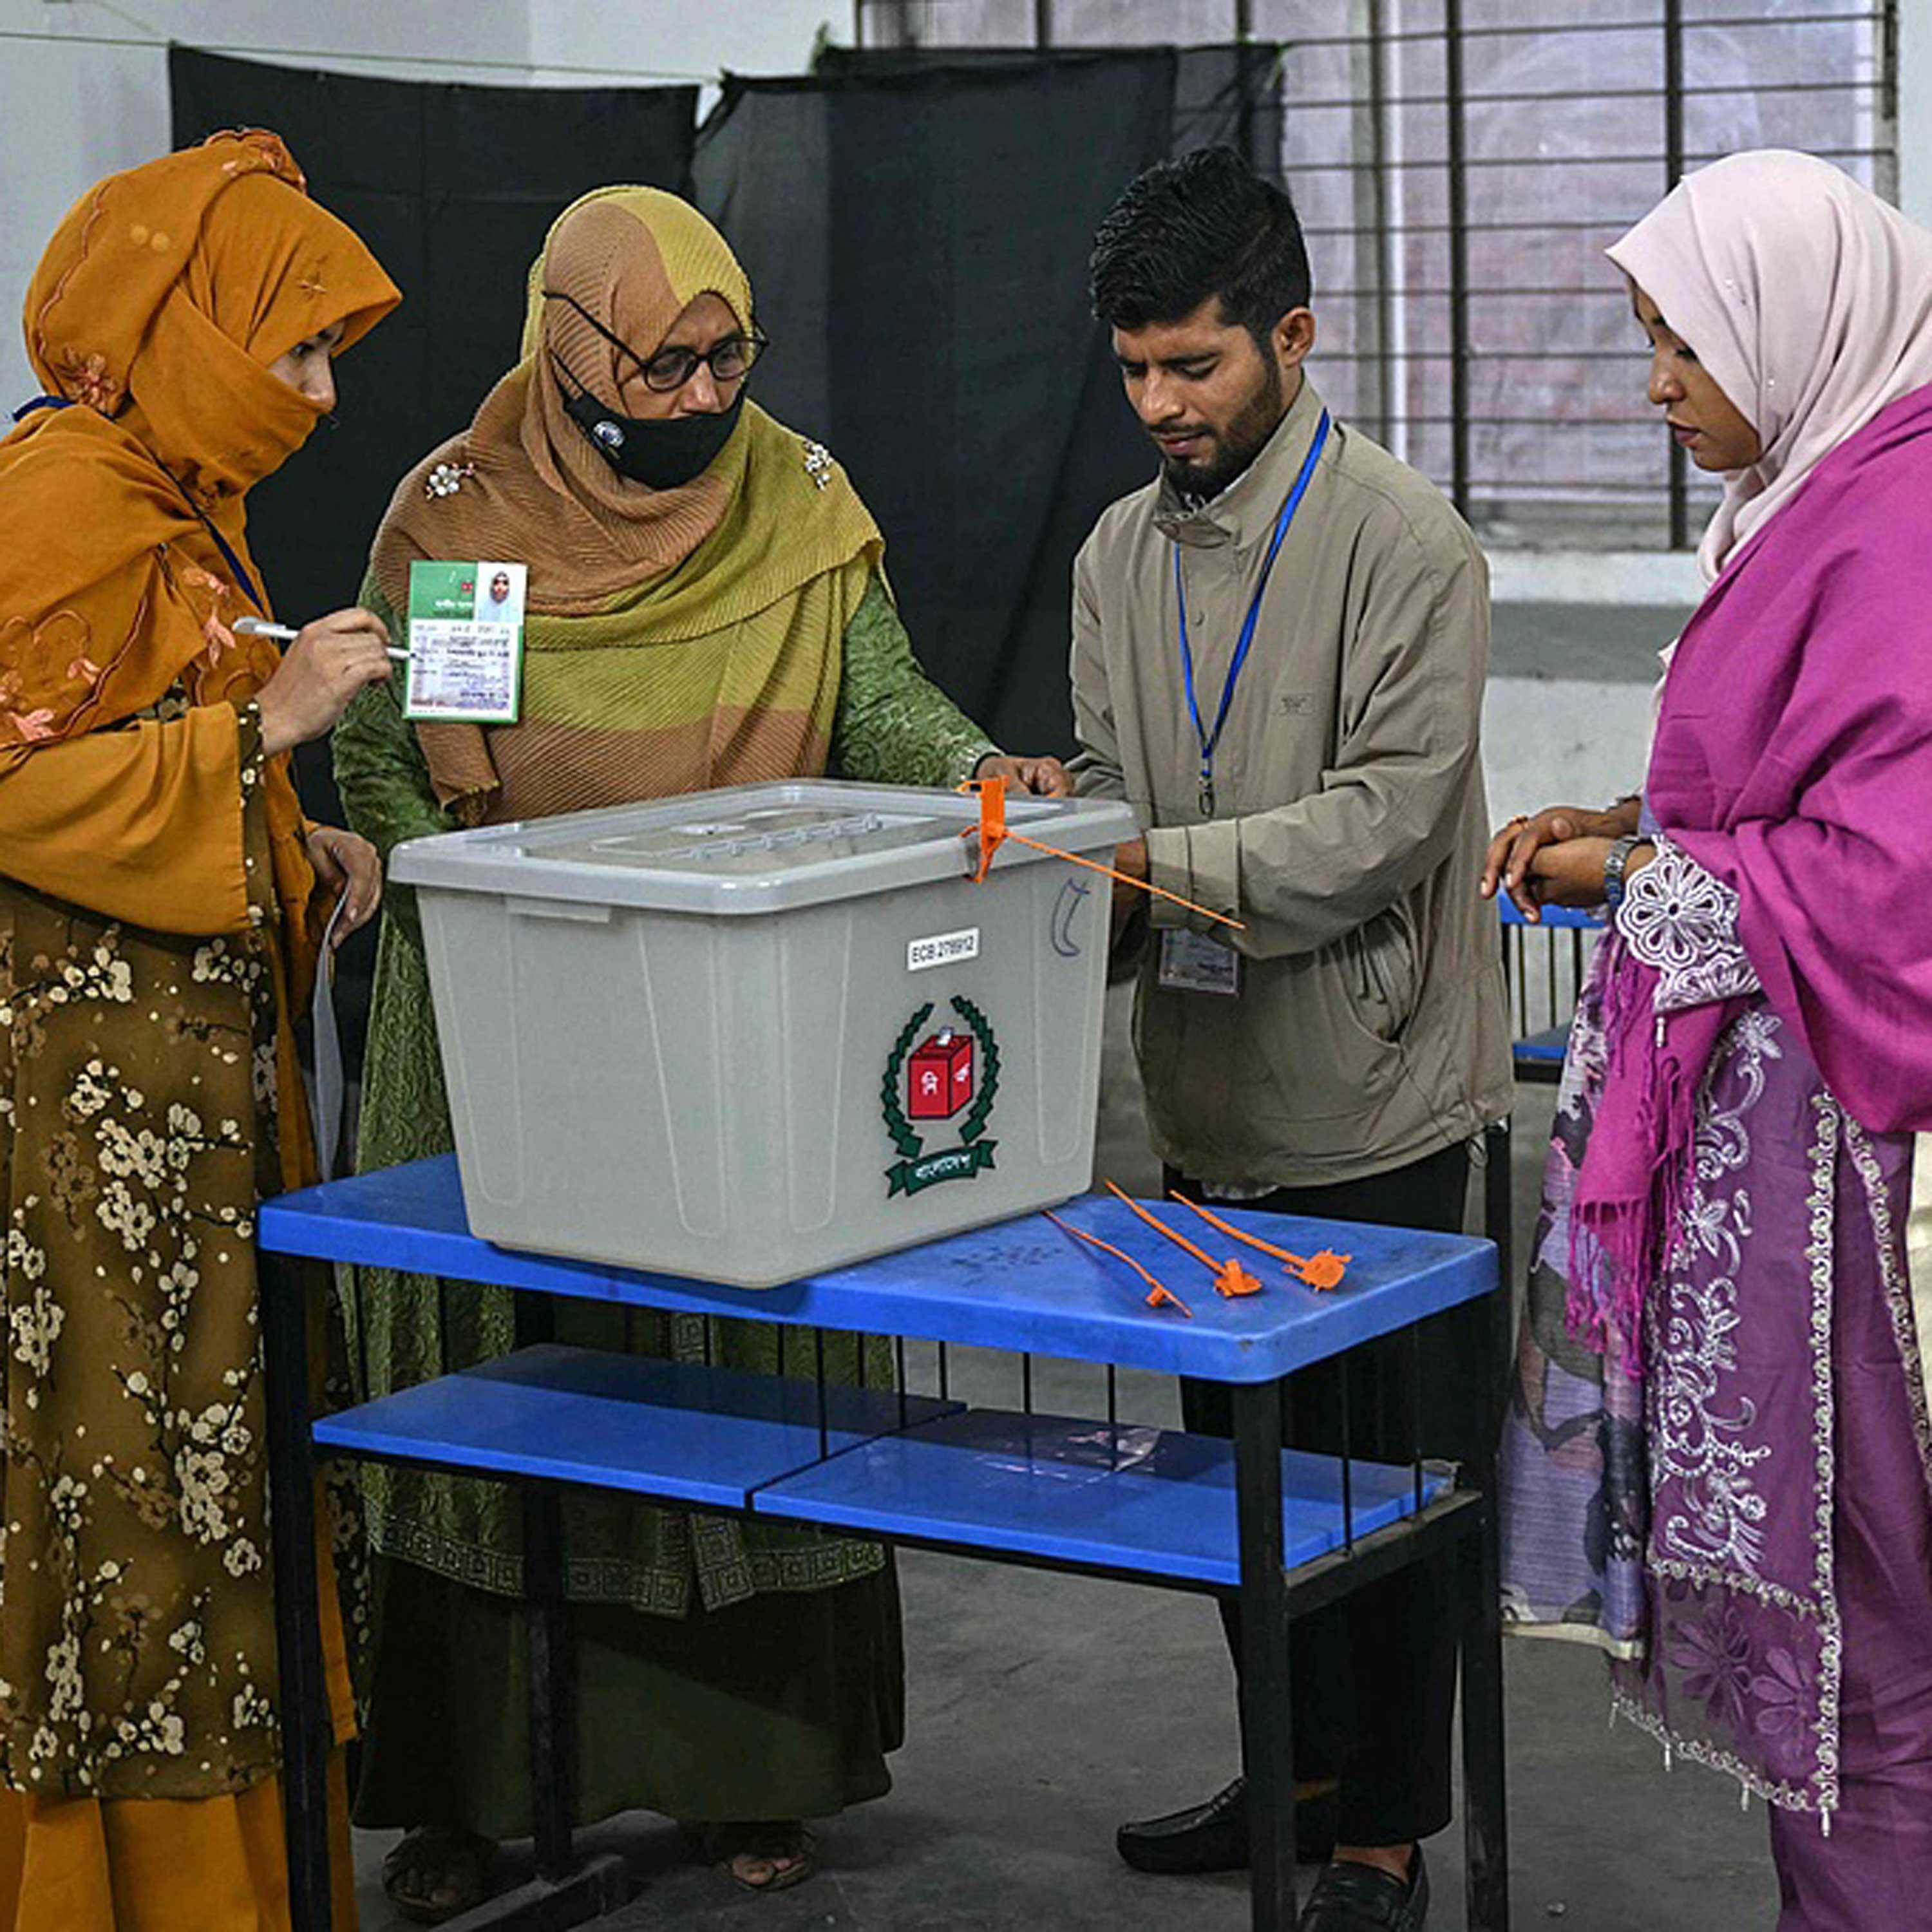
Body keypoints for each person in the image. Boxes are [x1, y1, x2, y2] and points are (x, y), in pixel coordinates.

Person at [333, 184, 1068, 1919]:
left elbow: (878, 703)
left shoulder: (796, 502)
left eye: (728, 359)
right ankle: (477, 1791)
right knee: (512, 1374)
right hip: (519, 1006)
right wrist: (483, 901)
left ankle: (759, 1768)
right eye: (663, 365)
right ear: (570, 343)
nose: (700, 398)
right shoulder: (465, 517)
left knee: (736, 1356)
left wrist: (979, 770)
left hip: (737, 1004)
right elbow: (392, 762)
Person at [1488, 149, 1932, 1931]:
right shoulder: (1821, 497)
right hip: (1795, 1136)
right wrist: (1635, 823)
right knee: (1856, 1636)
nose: (1655, 385)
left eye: (1685, 343)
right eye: (1648, 340)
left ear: (1796, 327)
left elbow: (1893, 882)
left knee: (1875, 1635)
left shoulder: (1899, 530)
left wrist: (1637, 879)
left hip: (1864, 1172)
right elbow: (1793, 784)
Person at [1069, 146, 1511, 1932]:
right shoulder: (1117, 554)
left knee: (1384, 1501)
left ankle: (1383, 1839)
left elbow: (1383, 827)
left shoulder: (1410, 546)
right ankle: (1297, 1778)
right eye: (1134, 371)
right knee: (1236, 1490)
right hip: (1203, 1103)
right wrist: (1059, 828)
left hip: (1376, 1103)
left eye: (1196, 364)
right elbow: (1107, 779)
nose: (1161, 405)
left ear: (1295, 337)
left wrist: (1137, 870)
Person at [0, 132, 399, 1931]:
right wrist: (265, 733)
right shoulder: (58, 506)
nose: (318, 393)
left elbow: (134, 741)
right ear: (185, 332)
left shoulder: (170, 504)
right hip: (85, 1143)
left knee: (209, 1480)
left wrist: (291, 834)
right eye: (293, 348)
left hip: (193, 1125)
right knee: (124, 1494)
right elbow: (18, 789)